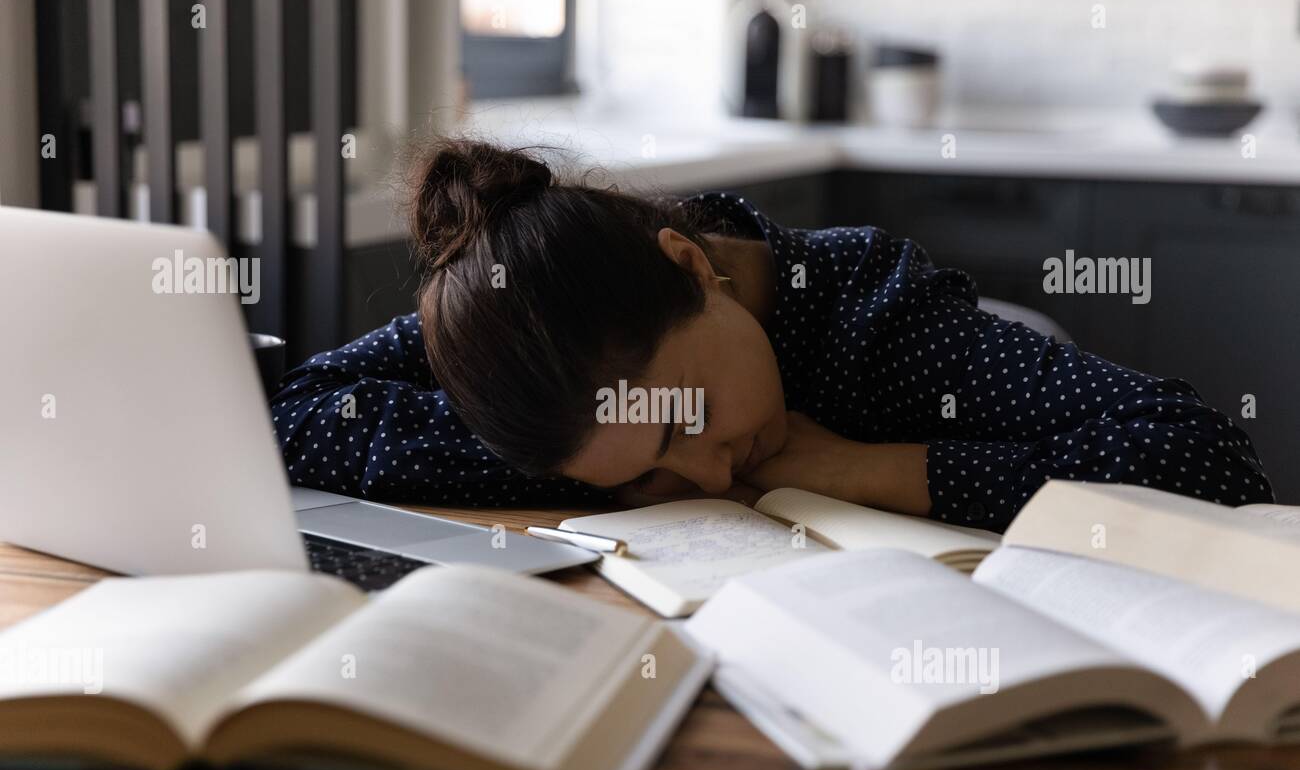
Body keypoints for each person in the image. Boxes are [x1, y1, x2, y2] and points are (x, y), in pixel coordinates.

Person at [269, 138, 1273, 532]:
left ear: (688, 263)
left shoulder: (879, 316)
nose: (712, 477)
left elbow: (1212, 461)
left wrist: (869, 469)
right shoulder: (537, 311)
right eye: (649, 468)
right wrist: (592, 471)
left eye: (690, 418)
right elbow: (291, 415)